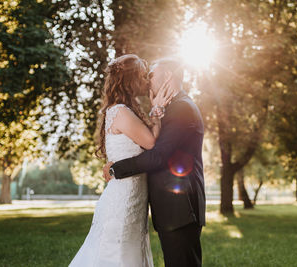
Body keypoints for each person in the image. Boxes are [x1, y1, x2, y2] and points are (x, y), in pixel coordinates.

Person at [69, 54, 175, 267]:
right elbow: (151, 144)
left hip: (133, 197)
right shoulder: (121, 112)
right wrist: (157, 111)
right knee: (116, 254)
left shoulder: (124, 110)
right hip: (124, 200)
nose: (145, 81)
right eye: (141, 76)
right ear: (130, 80)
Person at [103, 58, 206, 267]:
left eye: (151, 74)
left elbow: (158, 156)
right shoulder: (174, 107)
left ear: (167, 76)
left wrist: (116, 168)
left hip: (181, 209)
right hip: (173, 209)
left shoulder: (182, 108)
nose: (147, 80)